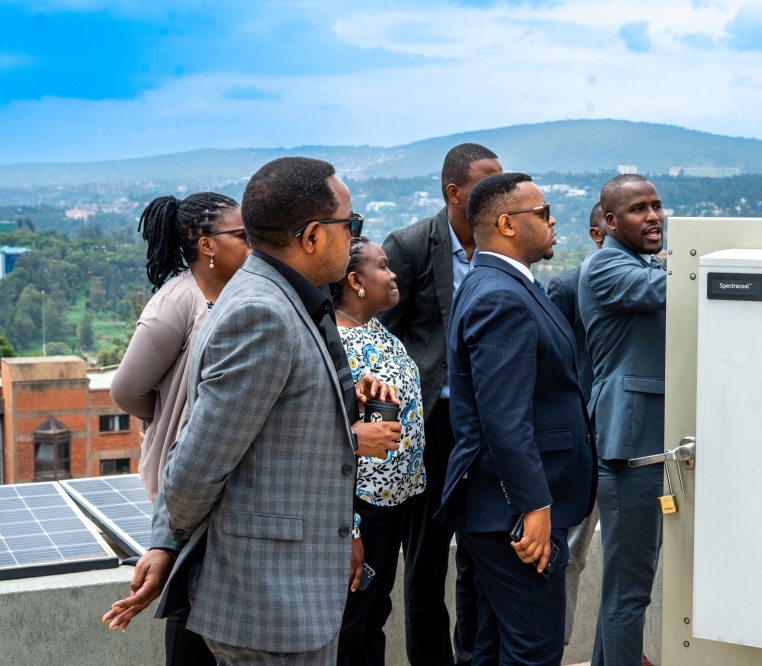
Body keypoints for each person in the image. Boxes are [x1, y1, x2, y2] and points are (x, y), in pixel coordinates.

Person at [101, 157, 394, 664]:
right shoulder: (263, 313)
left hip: (294, 592)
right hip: (272, 607)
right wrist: (168, 542)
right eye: (350, 224)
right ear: (310, 237)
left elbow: (278, 438)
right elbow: (196, 466)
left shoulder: (286, 298)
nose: (354, 236)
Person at [437, 172, 596, 665]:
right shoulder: (500, 295)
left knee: (490, 647)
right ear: (507, 224)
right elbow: (504, 419)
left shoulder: (495, 283)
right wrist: (534, 507)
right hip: (517, 515)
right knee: (534, 651)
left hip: (502, 509)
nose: (553, 222)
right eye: (543, 213)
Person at [109, 192, 248, 665]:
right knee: (189, 613)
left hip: (226, 476)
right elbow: (126, 392)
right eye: (242, 235)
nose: (253, 244)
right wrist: (167, 415)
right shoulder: (178, 300)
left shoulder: (239, 293)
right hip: (186, 479)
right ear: (207, 244)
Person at [380, 143, 502, 666]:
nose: (498, 194)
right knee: (426, 562)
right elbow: (381, 340)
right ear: (454, 192)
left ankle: (475, 657)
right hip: (432, 427)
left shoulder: (502, 243)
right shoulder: (409, 246)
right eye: (486, 184)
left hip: (489, 425)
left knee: (482, 553)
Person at [579, 174, 667, 666]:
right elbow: (676, 286)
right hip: (628, 446)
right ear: (610, 222)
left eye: (656, 206)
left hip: (646, 444)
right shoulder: (606, 267)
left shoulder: (641, 262)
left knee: (627, 586)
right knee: (628, 590)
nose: (653, 216)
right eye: (638, 209)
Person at [333, 237, 426, 666]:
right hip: (362, 507)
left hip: (395, 504)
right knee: (350, 622)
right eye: (383, 267)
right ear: (355, 280)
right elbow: (335, 442)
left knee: (375, 614)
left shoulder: (376, 329)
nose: (393, 275)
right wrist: (351, 528)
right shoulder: (336, 345)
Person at [545, 201, 607, 646]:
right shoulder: (566, 286)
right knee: (568, 552)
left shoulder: (655, 281)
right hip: (580, 442)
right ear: (596, 233)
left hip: (629, 440)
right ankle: (555, 644)